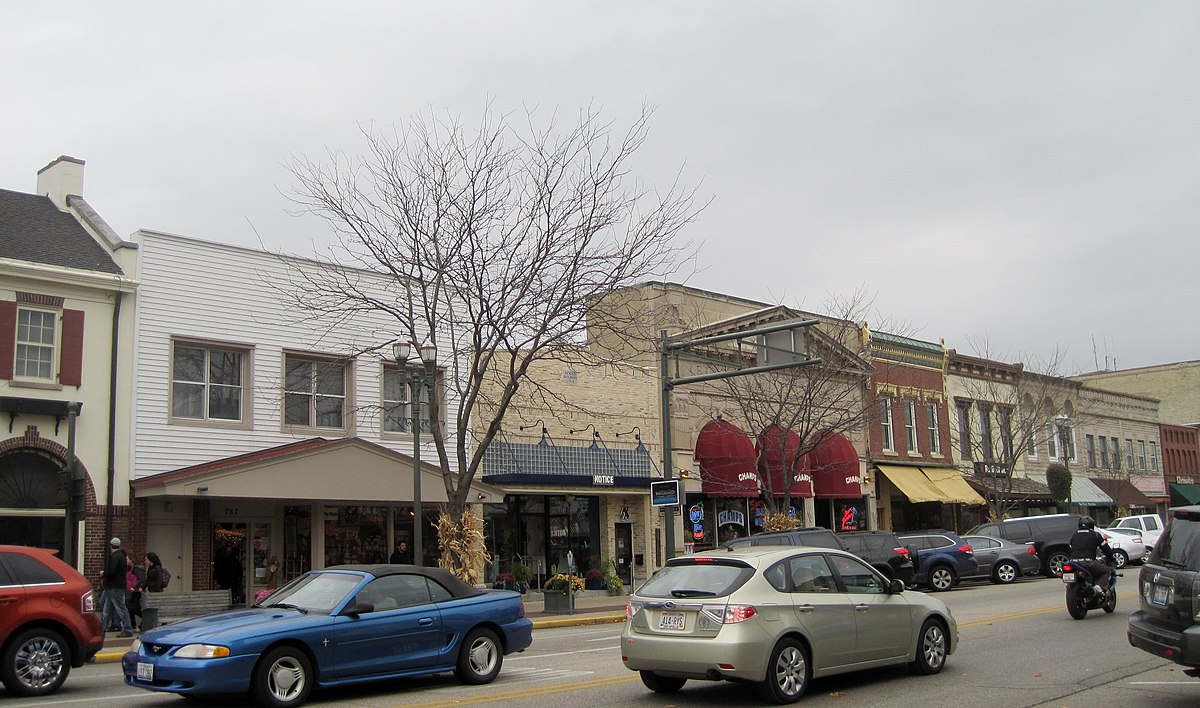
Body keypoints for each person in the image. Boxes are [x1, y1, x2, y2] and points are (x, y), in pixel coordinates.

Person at [1068, 516, 1116, 594]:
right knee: (1106, 571)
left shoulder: (1073, 536)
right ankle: (1099, 588)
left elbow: (1070, 550)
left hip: (1073, 563)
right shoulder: (1095, 535)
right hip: (1088, 563)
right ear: (1091, 525)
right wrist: (1112, 559)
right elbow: (1106, 549)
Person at [101, 538, 135, 637]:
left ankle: (128, 629)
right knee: (107, 608)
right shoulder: (122, 556)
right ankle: (102, 628)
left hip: (114, 586)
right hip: (116, 586)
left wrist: (104, 574)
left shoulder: (115, 557)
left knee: (120, 607)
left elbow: (112, 571)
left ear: (110, 545)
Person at [126, 555, 146, 631]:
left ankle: (135, 624)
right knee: (131, 609)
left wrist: (134, 587)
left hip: (135, 592)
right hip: (131, 592)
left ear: (131, 560)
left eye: (127, 559)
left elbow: (140, 579)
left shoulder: (135, 569)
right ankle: (133, 625)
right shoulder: (129, 568)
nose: (126, 561)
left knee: (132, 608)